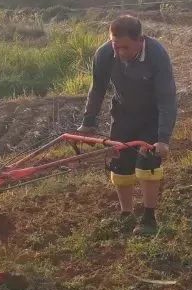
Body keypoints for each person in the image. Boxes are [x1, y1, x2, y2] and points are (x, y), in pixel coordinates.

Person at [76, 14, 177, 236]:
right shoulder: (104, 54)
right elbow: (97, 89)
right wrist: (88, 122)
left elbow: (167, 98)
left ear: (140, 40)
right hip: (122, 114)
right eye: (116, 46)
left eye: (125, 47)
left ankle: (149, 218)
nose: (120, 52)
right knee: (120, 165)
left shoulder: (156, 55)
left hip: (151, 115)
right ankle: (126, 213)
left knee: (147, 165)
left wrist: (163, 138)